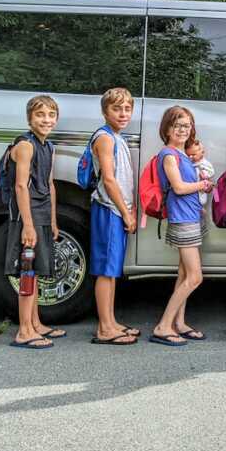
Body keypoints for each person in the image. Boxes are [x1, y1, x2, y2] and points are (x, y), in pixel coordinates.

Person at [5, 95, 65, 349]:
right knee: (27, 272)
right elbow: (20, 186)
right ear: (30, 118)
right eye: (40, 115)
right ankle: (24, 331)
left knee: (37, 271)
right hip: (25, 217)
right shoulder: (25, 145)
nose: (46, 120)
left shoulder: (49, 147)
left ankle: (36, 323)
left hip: (41, 216)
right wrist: (28, 225)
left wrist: (51, 220)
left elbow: (49, 185)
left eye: (51, 115)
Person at [150, 105, 213, 346]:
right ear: (167, 128)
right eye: (177, 125)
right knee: (195, 277)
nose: (183, 130)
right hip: (183, 220)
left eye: (187, 126)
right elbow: (178, 187)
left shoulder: (182, 153)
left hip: (191, 217)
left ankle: (179, 323)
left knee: (185, 273)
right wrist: (203, 185)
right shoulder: (169, 155)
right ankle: (163, 325)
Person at [89, 88, 139, 346]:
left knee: (112, 270)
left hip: (116, 210)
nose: (122, 114)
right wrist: (125, 212)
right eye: (116, 109)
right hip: (109, 210)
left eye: (127, 109)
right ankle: (104, 328)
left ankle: (111, 322)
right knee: (105, 271)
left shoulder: (117, 137)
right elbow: (108, 179)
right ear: (104, 111)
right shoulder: (105, 138)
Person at [185, 138, 215, 206]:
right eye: (188, 155)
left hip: (200, 192)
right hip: (190, 193)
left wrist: (206, 175)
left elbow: (211, 172)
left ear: (202, 153)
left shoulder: (205, 164)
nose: (190, 157)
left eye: (193, 154)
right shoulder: (188, 163)